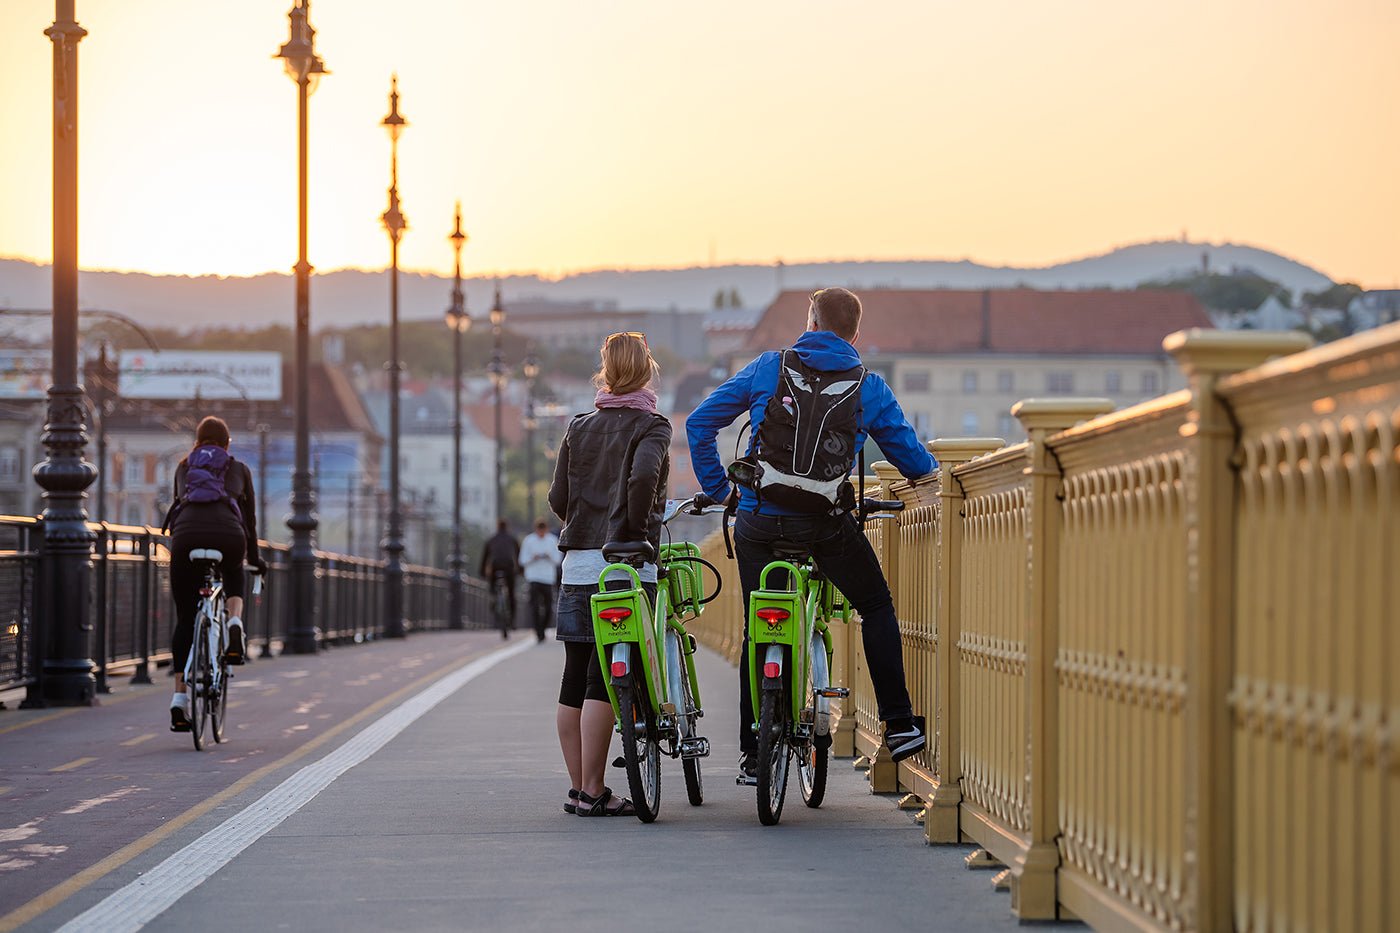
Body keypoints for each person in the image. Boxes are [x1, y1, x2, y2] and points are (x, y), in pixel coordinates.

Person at [686, 286, 936, 782]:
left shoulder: (768, 368)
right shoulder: (869, 386)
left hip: (757, 521)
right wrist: (932, 484)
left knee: (758, 624)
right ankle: (899, 722)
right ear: (855, 333)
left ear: (811, 322)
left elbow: (699, 423)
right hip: (823, 525)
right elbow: (914, 462)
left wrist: (723, 492)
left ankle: (753, 754)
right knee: (875, 605)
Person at [548, 332, 670, 817]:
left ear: (606, 371)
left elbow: (559, 498)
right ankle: (598, 787)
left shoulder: (579, 427)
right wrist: (631, 534)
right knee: (604, 678)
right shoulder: (652, 426)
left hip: (577, 566)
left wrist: (585, 529)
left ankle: (581, 789)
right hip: (625, 568)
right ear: (646, 369)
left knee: (574, 676)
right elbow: (642, 478)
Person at [164, 415, 264, 732]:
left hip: (186, 538)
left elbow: (178, 504)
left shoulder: (184, 466)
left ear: (197, 442)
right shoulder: (239, 469)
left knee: (184, 619)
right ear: (227, 444)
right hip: (229, 536)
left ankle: (179, 700)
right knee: (234, 568)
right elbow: (249, 523)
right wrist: (256, 560)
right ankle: (234, 622)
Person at [519, 519, 561, 642]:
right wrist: (533, 558)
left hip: (548, 578)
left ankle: (543, 627)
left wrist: (549, 556)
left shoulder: (552, 540)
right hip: (533, 577)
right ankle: (538, 631)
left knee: (548, 606)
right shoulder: (529, 540)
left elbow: (558, 560)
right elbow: (522, 560)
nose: (541, 534)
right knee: (535, 605)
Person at [479, 519, 520, 636]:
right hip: (509, 568)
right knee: (511, 593)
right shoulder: (512, 539)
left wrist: (482, 572)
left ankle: (493, 598)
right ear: (507, 527)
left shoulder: (491, 539)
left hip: (495, 567)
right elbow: (518, 556)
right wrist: (520, 570)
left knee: (492, 587)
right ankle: (512, 621)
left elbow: (485, 558)